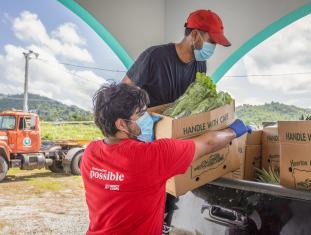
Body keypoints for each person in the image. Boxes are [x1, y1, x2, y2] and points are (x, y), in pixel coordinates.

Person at [80, 83, 251, 235]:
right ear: (121, 124)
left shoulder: (90, 152)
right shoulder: (152, 156)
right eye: (140, 114)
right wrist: (234, 130)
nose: (146, 118)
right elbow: (208, 143)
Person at [122, 9, 231, 107]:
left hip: (179, 126)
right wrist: (140, 117)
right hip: (149, 126)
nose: (213, 47)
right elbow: (123, 91)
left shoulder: (201, 64)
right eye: (211, 41)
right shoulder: (154, 56)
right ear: (194, 35)